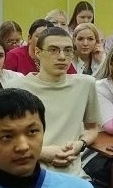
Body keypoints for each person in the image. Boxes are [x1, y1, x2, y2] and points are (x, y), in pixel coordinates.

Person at [10, 27, 98, 179]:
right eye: (53, 50)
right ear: (37, 52)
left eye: (68, 50)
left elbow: (92, 128)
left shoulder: (85, 84)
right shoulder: (16, 88)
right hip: (30, 174)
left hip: (75, 176)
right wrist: (41, 153)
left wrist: (80, 144)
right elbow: (6, 139)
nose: (62, 57)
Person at [5, 18, 80, 76]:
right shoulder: (14, 56)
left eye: (48, 37)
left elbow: (73, 78)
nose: (43, 40)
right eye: (39, 36)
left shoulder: (60, 56)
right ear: (29, 38)